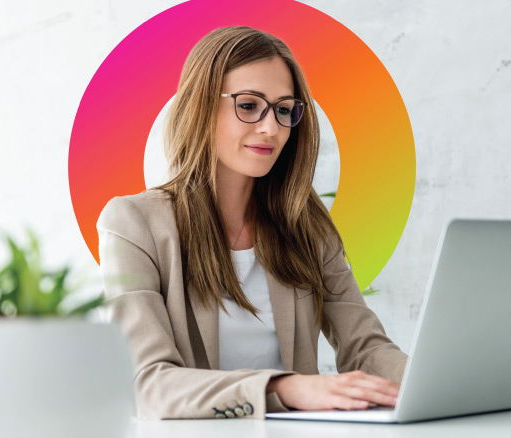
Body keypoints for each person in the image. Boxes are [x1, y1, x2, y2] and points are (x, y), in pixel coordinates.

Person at [96, 26, 408, 420]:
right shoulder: (134, 223)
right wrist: (282, 387)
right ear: (200, 105)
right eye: (248, 105)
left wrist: (431, 379)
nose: (271, 128)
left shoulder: (305, 224)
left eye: (283, 109)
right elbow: (148, 384)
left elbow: (366, 348)